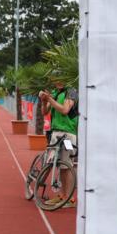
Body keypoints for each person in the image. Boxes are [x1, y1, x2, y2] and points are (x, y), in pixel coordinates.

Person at [38, 76, 78, 206]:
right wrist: (44, 101)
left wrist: (49, 99)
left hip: (68, 133)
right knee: (59, 164)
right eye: (55, 78)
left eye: (60, 78)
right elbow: (45, 112)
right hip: (55, 133)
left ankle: (70, 198)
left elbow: (65, 110)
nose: (57, 81)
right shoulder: (55, 93)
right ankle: (62, 195)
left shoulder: (71, 91)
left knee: (67, 164)